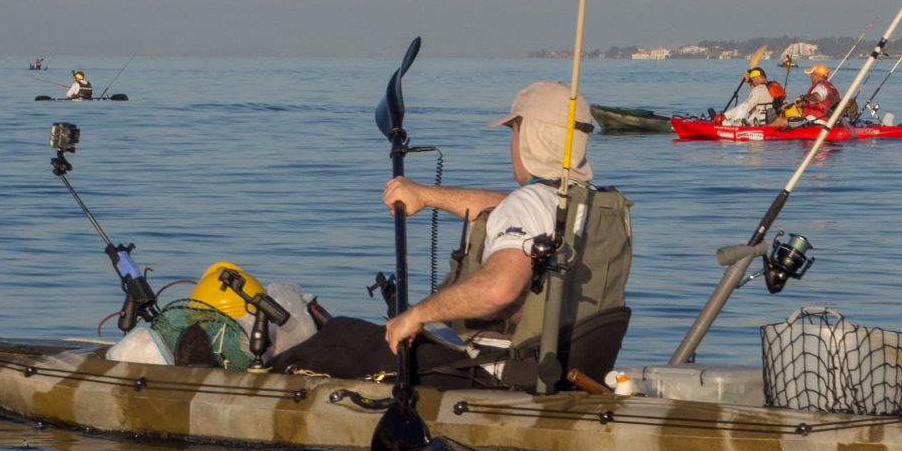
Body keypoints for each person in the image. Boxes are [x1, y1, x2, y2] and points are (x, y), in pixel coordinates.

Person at [269, 80, 631, 391]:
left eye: (515, 130)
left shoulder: (530, 203)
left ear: (532, 136)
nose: (512, 143)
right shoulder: (605, 209)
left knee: (342, 336)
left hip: (499, 375)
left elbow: (498, 289)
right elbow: (503, 209)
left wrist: (418, 315)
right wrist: (425, 195)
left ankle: (258, 388)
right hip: (566, 372)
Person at [720, 65, 786, 127]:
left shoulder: (759, 89)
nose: (752, 82)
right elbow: (757, 96)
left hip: (763, 125)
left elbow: (746, 106)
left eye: (752, 79)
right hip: (772, 120)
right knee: (751, 112)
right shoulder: (771, 87)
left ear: (757, 78)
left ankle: (728, 122)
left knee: (743, 113)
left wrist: (726, 116)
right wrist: (750, 82)